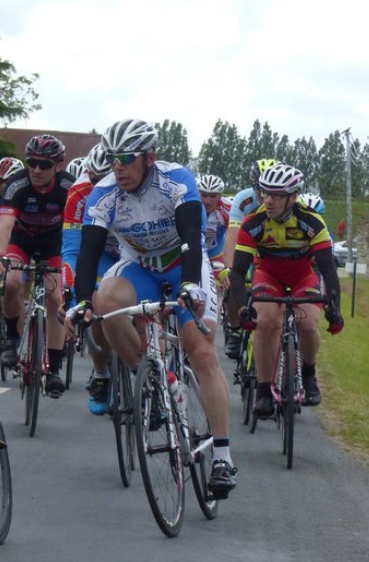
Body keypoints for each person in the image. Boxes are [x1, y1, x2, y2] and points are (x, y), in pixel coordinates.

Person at [72, 118, 238, 498]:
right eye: (113, 159)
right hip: (141, 266)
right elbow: (88, 254)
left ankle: (222, 456)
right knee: (104, 301)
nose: (118, 167)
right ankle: (148, 377)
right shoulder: (103, 194)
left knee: (201, 351)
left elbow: (192, 236)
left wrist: (191, 284)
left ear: (150, 157)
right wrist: (80, 302)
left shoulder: (176, 180)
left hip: (183, 265)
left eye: (127, 158)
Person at [229, 164, 343, 415]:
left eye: (276, 195)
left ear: (292, 197)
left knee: (308, 323)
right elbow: (237, 272)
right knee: (266, 322)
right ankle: (263, 391)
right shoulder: (253, 223)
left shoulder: (311, 222)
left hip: (303, 277)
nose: (268, 200)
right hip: (269, 275)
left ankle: (309, 375)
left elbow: (327, 269)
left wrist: (335, 309)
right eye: (265, 193)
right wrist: (242, 309)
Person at [0, 134, 74, 396]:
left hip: (53, 243)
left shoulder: (68, 187)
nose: (37, 169)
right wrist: (0, 257)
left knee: (55, 298)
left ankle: (54, 369)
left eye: (45, 164)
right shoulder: (17, 184)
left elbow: (77, 229)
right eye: (32, 163)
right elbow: (4, 227)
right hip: (21, 240)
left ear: (58, 165)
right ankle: (11, 338)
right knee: (12, 281)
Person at [60, 142, 119, 415]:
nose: (98, 187)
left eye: (104, 179)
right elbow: (72, 251)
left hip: (133, 249)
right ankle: (101, 373)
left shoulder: (134, 186)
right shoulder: (79, 191)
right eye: (93, 179)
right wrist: (73, 298)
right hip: (101, 251)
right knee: (94, 302)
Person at [221, 159, 277, 359]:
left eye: (269, 189)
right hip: (246, 246)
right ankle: (235, 330)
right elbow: (232, 236)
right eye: (259, 188)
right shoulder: (244, 199)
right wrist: (229, 268)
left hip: (269, 251)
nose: (263, 194)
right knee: (232, 283)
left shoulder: (284, 203)